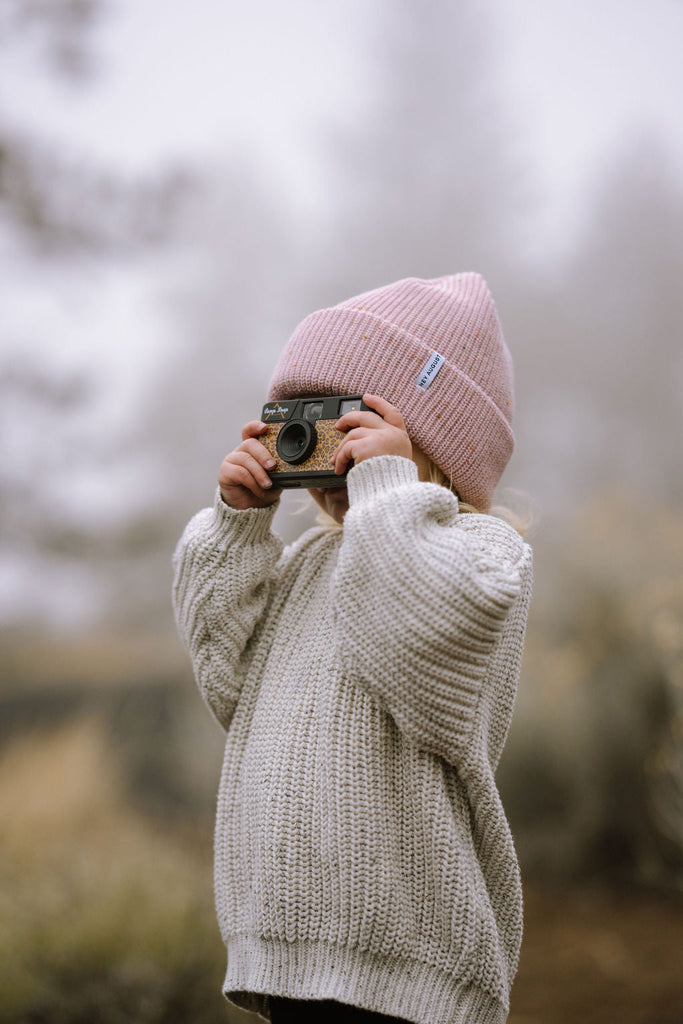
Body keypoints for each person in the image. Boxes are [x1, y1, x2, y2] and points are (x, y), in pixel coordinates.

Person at [172, 273, 533, 1024]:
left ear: (433, 444)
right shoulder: (305, 564)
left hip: (407, 953)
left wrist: (387, 492)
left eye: (352, 424)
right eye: (308, 421)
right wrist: (238, 527)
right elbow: (225, 680)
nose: (328, 450)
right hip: (290, 946)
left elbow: (415, 642)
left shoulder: (482, 554)